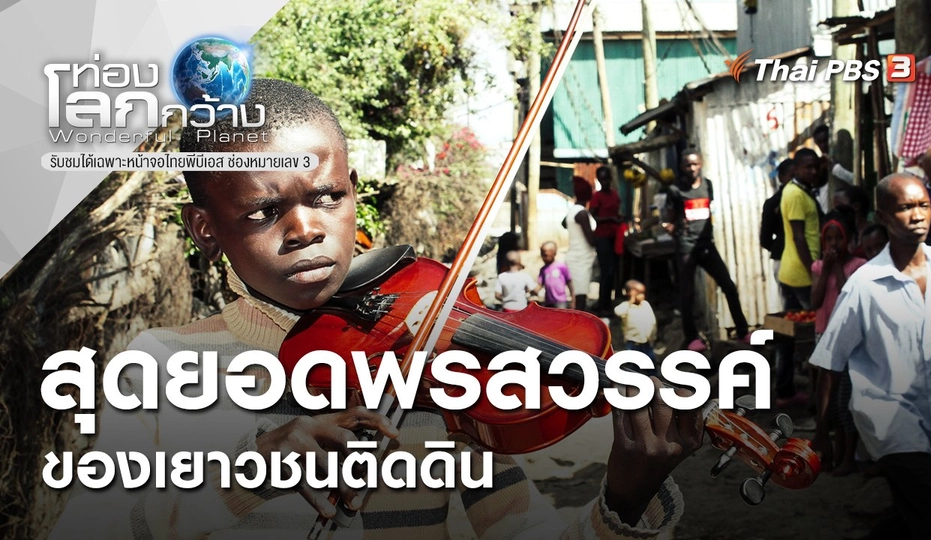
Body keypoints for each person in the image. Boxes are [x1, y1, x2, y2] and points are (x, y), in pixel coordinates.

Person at [50, 79, 703, 540]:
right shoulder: (163, 366)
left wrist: (624, 500)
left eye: (326, 197)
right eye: (265, 210)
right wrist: (249, 470)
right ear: (205, 228)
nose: (306, 229)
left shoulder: (438, 374)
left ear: (353, 194)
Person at [810, 173, 931, 539]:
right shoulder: (865, 285)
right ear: (883, 216)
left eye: (923, 205)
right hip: (890, 419)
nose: (918, 215)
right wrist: (821, 434)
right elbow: (829, 364)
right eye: (906, 207)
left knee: (914, 514)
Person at [662, 149, 750, 352]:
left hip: (706, 245)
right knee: (688, 293)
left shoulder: (707, 185)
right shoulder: (675, 190)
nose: (692, 168)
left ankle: (743, 331)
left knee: (728, 286)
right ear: (682, 167)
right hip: (687, 246)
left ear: (701, 164)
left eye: (695, 164)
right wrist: (673, 229)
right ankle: (692, 338)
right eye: (687, 165)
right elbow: (669, 217)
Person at [809, 209, 866, 477]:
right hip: (824, 334)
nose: (833, 244)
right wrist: (827, 269)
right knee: (825, 397)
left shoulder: (858, 266)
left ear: (849, 239)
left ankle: (846, 454)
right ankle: (828, 449)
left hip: (847, 336)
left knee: (843, 397)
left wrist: (838, 269)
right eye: (828, 239)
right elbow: (815, 301)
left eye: (838, 238)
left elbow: (848, 297)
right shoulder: (818, 267)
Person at [775, 147, 822, 408]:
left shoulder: (800, 191)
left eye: (816, 167)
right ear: (796, 169)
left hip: (793, 272)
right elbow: (798, 236)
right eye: (808, 167)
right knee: (816, 337)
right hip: (801, 275)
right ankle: (818, 397)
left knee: (787, 337)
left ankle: (785, 391)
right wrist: (814, 271)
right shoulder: (794, 194)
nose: (813, 171)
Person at [590, 166, 622, 313]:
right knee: (606, 271)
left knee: (613, 270)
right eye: (602, 179)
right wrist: (610, 219)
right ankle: (603, 305)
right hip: (602, 237)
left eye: (607, 178)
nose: (605, 182)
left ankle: (608, 302)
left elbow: (618, 211)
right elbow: (593, 216)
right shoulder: (597, 196)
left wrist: (620, 219)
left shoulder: (615, 194)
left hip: (614, 236)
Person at [760, 158, 796, 278]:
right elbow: (765, 239)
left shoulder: (808, 197)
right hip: (782, 258)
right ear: (781, 177)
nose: (795, 181)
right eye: (792, 176)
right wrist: (781, 246)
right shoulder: (773, 203)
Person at [565, 176, 597, 311]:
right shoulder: (582, 214)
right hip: (581, 259)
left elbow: (564, 224)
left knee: (577, 295)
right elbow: (591, 240)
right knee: (580, 297)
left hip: (577, 256)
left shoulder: (573, 211)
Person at [614, 280, 658, 371]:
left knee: (650, 363)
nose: (642, 296)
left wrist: (653, 336)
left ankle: (653, 376)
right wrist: (631, 301)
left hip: (646, 341)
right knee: (633, 365)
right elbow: (618, 311)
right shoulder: (626, 306)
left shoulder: (645, 304)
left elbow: (652, 321)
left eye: (643, 293)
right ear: (630, 294)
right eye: (639, 294)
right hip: (633, 342)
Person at [832, 184, 871, 256]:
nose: (835, 211)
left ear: (856, 206)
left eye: (839, 206)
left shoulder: (874, 233)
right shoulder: (839, 233)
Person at [538, 241, 574, 308]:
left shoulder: (561, 266)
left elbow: (569, 283)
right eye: (542, 255)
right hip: (548, 302)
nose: (543, 258)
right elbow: (539, 285)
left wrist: (573, 300)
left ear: (554, 253)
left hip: (560, 302)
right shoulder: (543, 269)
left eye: (546, 255)